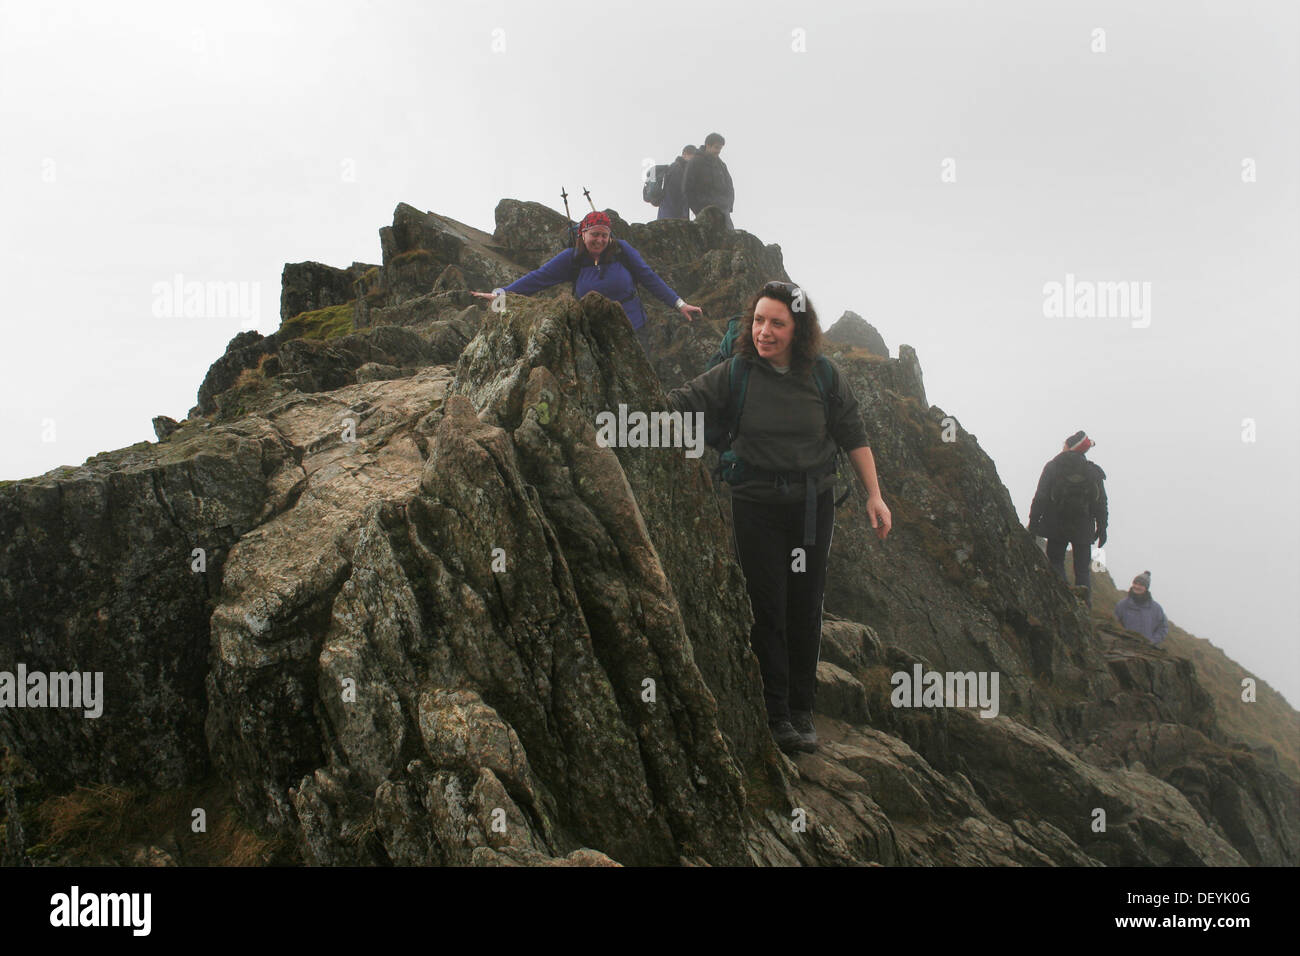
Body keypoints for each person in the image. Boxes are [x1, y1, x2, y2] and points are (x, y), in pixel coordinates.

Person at [666, 281, 891, 755]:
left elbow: (853, 433)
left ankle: (802, 709)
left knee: (805, 606)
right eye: (758, 321)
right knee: (766, 606)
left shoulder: (825, 377)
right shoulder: (736, 373)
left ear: (798, 328)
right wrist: (620, 408)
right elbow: (681, 401)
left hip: (811, 507)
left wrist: (875, 496)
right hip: (755, 505)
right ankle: (776, 713)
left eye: (777, 323)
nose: (764, 331)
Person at [472, 211, 702, 354]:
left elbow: (649, 277)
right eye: (595, 234)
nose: (600, 240)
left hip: (633, 327)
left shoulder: (622, 251)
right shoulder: (572, 259)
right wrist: (502, 294)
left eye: (604, 235)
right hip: (593, 330)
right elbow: (538, 278)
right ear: (583, 234)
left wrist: (679, 304)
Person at [1027, 430, 1108, 606]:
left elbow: (1040, 497)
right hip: (1083, 528)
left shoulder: (1053, 466)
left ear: (1069, 446)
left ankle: (1064, 604)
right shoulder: (1093, 471)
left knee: (1055, 561)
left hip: (1056, 525)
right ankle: (1084, 608)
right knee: (1082, 571)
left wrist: (1033, 524)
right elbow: (1100, 502)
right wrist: (1102, 528)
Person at [683, 132, 735, 229]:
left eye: (720, 148)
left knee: (730, 239)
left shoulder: (721, 165)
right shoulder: (695, 162)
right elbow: (687, 188)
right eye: (716, 147)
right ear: (708, 145)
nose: (718, 151)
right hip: (705, 212)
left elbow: (730, 187)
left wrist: (728, 206)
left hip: (723, 213)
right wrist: (699, 211)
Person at [1114, 571, 1169, 646]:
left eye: (1141, 585)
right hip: (1124, 649)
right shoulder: (1122, 605)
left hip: (1146, 651)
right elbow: (1115, 624)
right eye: (1135, 583)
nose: (1137, 586)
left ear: (1146, 588)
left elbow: (1163, 628)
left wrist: (1152, 641)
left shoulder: (1156, 609)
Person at [657, 145, 696, 221]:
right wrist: (682, 215)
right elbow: (675, 194)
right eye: (692, 156)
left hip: (668, 214)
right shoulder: (677, 168)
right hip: (672, 216)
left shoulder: (681, 168)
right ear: (684, 154)